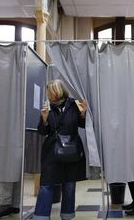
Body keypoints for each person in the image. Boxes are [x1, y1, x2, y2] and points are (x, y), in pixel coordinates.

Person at [33, 79, 88, 220]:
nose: (49, 95)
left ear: (58, 91)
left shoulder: (74, 104)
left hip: (72, 150)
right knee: (46, 184)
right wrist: (44, 119)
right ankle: (41, 216)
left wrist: (84, 114)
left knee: (69, 184)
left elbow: (82, 125)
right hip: (52, 151)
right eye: (48, 92)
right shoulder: (48, 107)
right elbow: (42, 131)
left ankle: (67, 215)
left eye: (51, 92)